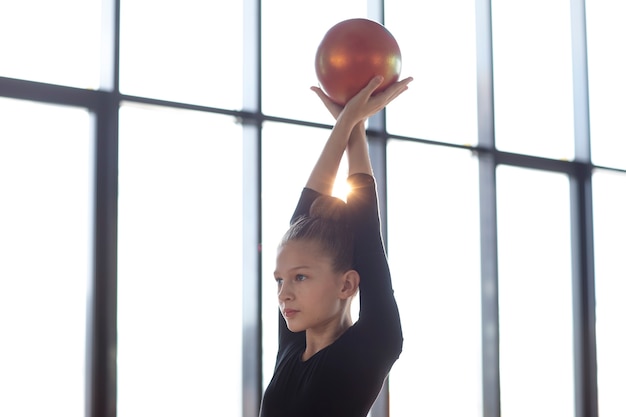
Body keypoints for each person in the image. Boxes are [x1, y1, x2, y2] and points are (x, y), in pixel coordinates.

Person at [259, 74, 413, 417]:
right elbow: (302, 218)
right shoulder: (293, 346)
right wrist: (350, 122)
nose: (283, 293)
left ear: (347, 284)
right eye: (279, 280)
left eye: (299, 278)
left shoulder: (373, 345)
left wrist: (349, 119)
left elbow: (369, 236)